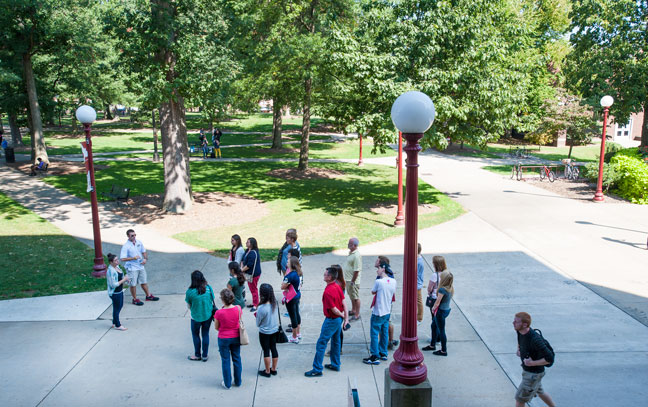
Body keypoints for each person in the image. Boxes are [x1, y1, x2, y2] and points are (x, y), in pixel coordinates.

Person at [305, 265, 349, 377]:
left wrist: (342, 315)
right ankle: (335, 364)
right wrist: (345, 318)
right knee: (336, 341)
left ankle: (317, 369)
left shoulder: (328, 292)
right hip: (338, 320)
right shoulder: (338, 286)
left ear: (329, 277)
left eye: (325, 274)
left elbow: (334, 309)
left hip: (331, 320)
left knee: (321, 343)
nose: (323, 276)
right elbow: (344, 303)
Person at [513, 312, 556, 407]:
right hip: (532, 373)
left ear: (525, 324)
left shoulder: (535, 339)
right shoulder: (519, 331)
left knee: (520, 399)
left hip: (533, 375)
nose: (513, 323)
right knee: (540, 391)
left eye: (516, 321)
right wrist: (519, 350)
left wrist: (532, 363)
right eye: (514, 320)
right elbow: (520, 341)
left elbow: (549, 359)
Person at [363, 259, 397, 365]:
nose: (377, 270)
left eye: (378, 268)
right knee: (384, 332)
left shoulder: (379, 282)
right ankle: (383, 353)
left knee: (374, 333)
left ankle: (375, 356)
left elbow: (373, 291)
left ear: (383, 268)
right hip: (387, 311)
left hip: (378, 311)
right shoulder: (393, 281)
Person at [120, 229, 159, 305]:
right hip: (132, 268)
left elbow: (143, 251)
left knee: (144, 281)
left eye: (135, 235)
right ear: (128, 236)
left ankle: (148, 296)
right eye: (132, 235)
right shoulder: (126, 246)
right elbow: (122, 258)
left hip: (140, 266)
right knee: (133, 284)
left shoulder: (139, 242)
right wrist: (133, 258)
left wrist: (145, 259)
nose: (134, 237)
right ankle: (135, 299)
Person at [214, 289, 242, 389]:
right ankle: (238, 381)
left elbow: (216, 327)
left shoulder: (219, 313)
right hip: (236, 336)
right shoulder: (238, 308)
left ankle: (227, 383)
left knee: (225, 360)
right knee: (237, 358)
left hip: (223, 338)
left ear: (222, 300)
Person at [185, 270, 215, 362]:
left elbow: (189, 305)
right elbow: (212, 300)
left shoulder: (190, 292)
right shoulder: (209, 288)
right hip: (208, 315)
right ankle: (205, 355)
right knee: (205, 334)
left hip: (196, 317)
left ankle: (197, 355)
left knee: (196, 335)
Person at [423, 255, 450, 350]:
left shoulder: (435, 276)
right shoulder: (447, 274)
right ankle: (435, 341)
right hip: (444, 304)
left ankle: (438, 344)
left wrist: (434, 307)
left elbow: (430, 289)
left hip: (436, 301)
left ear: (436, 264)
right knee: (436, 323)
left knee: (435, 322)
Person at [256, 283, 279, 377]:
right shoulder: (275, 304)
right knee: (273, 348)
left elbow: (258, 323)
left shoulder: (261, 308)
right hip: (274, 330)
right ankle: (273, 369)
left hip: (264, 332)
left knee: (266, 350)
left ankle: (267, 371)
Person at [427, 273, 454, 356]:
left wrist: (433, 308)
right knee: (433, 325)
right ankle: (432, 344)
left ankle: (443, 350)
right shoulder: (450, 288)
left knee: (441, 330)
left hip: (440, 312)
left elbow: (437, 302)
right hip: (446, 310)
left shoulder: (442, 290)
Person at [106, 253, 130, 331]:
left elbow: (121, 276)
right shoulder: (110, 271)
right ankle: (118, 325)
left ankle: (114, 321)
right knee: (117, 308)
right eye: (115, 260)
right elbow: (113, 285)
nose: (117, 261)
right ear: (111, 262)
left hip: (119, 291)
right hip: (115, 293)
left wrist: (126, 279)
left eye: (117, 259)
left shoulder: (117, 267)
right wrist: (124, 280)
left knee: (119, 306)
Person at [282, 256, 302, 343]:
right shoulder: (298, 273)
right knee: (297, 314)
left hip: (291, 297)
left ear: (292, 264)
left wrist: (284, 284)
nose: (287, 263)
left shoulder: (289, 276)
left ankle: (294, 337)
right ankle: (298, 333)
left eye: (288, 262)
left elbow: (282, 286)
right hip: (297, 295)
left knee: (292, 316)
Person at [343, 237, 362, 321]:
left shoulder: (357, 256)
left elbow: (357, 270)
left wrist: (353, 281)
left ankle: (357, 314)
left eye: (350, 244)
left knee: (356, 297)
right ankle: (353, 310)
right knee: (351, 296)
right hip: (348, 279)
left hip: (353, 281)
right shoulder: (351, 253)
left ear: (355, 245)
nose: (348, 245)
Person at [241, 237, 262, 312]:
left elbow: (249, 265)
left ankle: (256, 305)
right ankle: (254, 303)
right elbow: (243, 260)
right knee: (252, 289)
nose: (246, 243)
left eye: (248, 242)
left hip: (254, 275)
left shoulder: (253, 253)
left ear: (252, 244)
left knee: (253, 289)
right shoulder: (247, 250)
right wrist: (242, 266)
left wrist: (241, 270)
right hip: (249, 274)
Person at [417, 243, 425, 325]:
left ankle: (419, 318)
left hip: (417, 284)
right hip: (417, 283)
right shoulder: (419, 259)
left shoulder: (418, 262)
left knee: (419, 301)